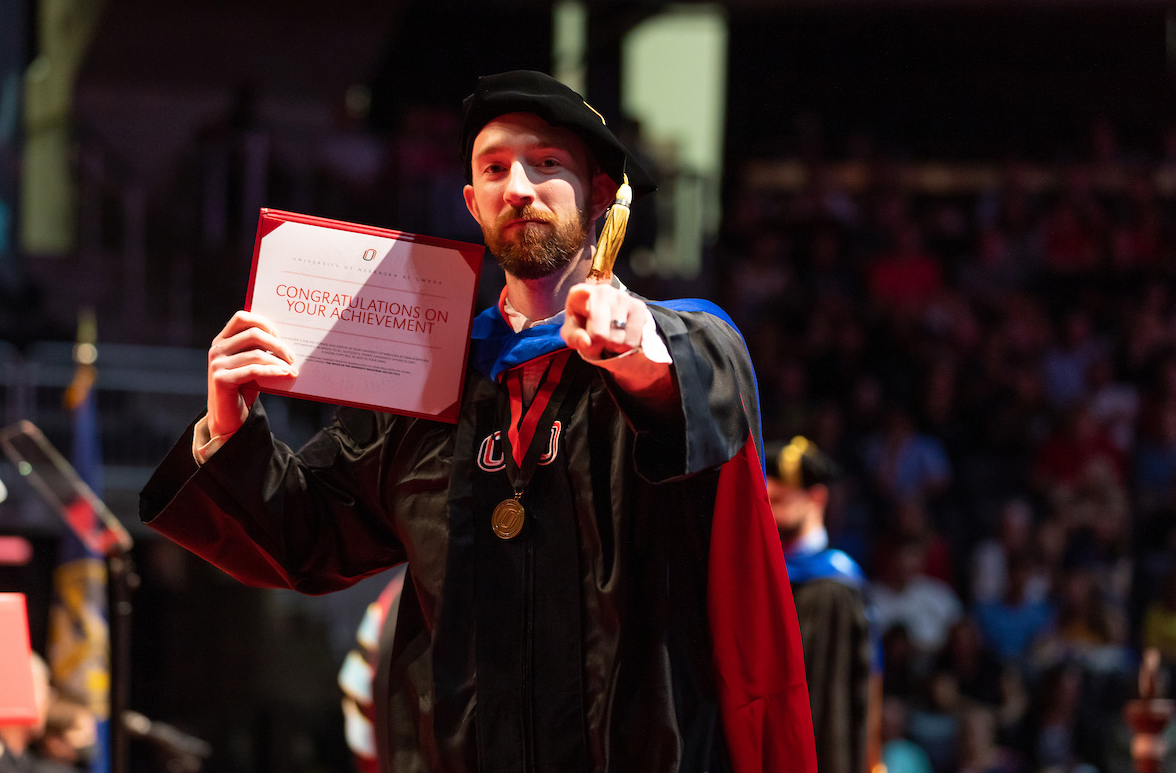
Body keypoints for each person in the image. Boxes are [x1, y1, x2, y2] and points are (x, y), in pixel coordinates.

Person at [140, 70, 814, 773]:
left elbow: (680, 386)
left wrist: (630, 340)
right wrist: (228, 423)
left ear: (603, 193)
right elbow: (308, 536)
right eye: (494, 169)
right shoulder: (429, 375)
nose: (517, 186)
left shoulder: (687, 340)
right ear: (471, 201)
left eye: (546, 164)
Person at [767, 436, 878, 773]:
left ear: (816, 498)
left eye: (779, 500)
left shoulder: (835, 587)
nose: (768, 511)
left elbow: (833, 708)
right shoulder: (767, 575)